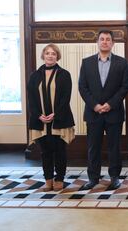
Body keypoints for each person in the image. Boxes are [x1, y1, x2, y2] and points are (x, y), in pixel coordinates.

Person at [79, 30, 128, 190]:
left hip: (114, 112)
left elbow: (125, 86)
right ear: (97, 42)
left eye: (108, 39)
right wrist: (95, 105)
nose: (105, 42)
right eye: (102, 39)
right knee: (93, 147)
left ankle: (114, 177)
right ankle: (93, 177)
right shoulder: (86, 62)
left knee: (114, 147)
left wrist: (110, 104)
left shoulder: (122, 63)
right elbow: (82, 87)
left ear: (113, 43)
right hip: (93, 112)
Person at [27, 44, 75, 192]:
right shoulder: (35, 75)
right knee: (45, 152)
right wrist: (38, 115)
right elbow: (32, 98)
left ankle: (59, 179)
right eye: (47, 53)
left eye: (53, 53)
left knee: (60, 151)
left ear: (57, 56)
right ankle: (48, 180)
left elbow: (65, 98)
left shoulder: (64, 74)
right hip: (40, 121)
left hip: (59, 120)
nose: (50, 56)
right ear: (43, 56)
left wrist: (56, 114)